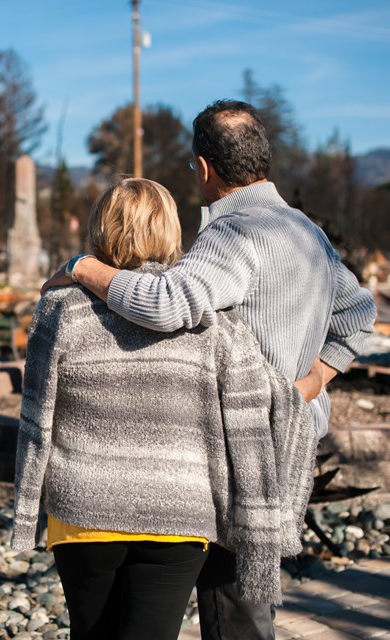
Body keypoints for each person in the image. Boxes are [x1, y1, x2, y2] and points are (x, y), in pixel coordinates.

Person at [43, 100, 377, 639]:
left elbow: (165, 304)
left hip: (240, 447)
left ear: (203, 167)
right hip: (293, 441)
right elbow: (359, 315)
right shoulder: (305, 232)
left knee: (231, 612)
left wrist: (83, 267)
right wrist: (312, 382)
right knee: (250, 604)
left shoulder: (233, 234)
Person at [11, 178, 318, 640]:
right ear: (171, 231)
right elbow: (251, 409)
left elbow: (37, 418)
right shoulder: (210, 319)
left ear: (99, 229)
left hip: (84, 510)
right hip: (179, 514)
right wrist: (313, 383)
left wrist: (26, 512)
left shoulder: (61, 306)